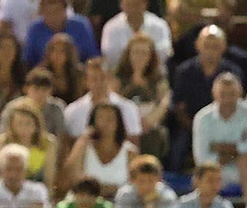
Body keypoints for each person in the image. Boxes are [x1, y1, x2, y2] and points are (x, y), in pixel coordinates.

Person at [172, 25, 244, 161]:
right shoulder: (184, 71)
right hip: (190, 125)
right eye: (206, 45)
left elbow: (239, 104)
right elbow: (178, 106)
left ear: (223, 47)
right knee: (177, 150)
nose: (210, 51)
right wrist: (197, 127)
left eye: (215, 46)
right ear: (197, 46)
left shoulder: (234, 72)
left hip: (228, 125)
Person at [192, 71, 247, 191]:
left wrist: (220, 148)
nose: (228, 99)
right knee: (207, 172)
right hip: (216, 168)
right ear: (214, 94)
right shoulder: (203, 118)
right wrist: (235, 151)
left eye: (232, 94)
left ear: (240, 93)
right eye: (223, 94)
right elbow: (201, 157)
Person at [115, 32, 170, 161]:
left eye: (144, 53)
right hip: (124, 125)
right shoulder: (118, 77)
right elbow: (114, 101)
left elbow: (164, 102)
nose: (140, 57)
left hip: (148, 126)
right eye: (136, 52)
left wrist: (148, 121)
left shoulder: (158, 78)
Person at [64, 100, 133, 197]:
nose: (105, 123)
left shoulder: (130, 151)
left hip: (118, 204)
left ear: (118, 123)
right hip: (86, 203)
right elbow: (72, 178)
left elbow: (134, 186)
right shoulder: (84, 148)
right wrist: (83, 140)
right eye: (100, 118)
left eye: (110, 119)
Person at [62, 58, 141, 139]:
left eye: (103, 78)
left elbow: (134, 142)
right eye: (94, 79)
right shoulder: (72, 111)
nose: (99, 83)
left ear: (110, 79)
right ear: (86, 82)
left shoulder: (128, 107)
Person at [0, 97, 56, 187]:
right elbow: (3, 173)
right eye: (19, 124)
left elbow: (49, 177)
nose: (24, 129)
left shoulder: (48, 142)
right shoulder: (4, 141)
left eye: (28, 123)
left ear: (36, 124)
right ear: (12, 125)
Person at [21, 0, 97, 71]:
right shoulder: (34, 29)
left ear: (65, 9)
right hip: (45, 77)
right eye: (48, 12)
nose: (53, 16)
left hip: (77, 76)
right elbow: (27, 61)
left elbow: (92, 57)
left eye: (56, 11)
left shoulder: (81, 26)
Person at [101, 0, 170, 73]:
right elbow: (110, 56)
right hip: (121, 75)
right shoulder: (111, 27)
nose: (133, 9)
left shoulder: (160, 25)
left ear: (145, 4)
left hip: (153, 75)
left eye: (137, 4)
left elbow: (164, 52)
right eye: (129, 5)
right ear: (121, 5)